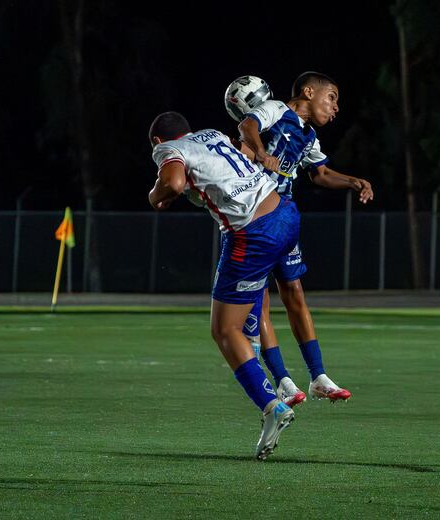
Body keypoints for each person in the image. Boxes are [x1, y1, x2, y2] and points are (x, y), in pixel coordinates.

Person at [147, 111, 300, 460]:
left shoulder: (167, 148)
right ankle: (262, 354)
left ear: (159, 141)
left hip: (253, 231)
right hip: (285, 213)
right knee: (252, 302)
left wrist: (155, 196)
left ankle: (271, 406)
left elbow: (171, 183)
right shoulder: (211, 133)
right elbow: (240, 157)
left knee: (223, 329)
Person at [237, 71, 374, 406]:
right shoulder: (275, 110)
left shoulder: (308, 136)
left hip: (282, 219)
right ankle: (283, 379)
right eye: (332, 97)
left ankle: (318, 377)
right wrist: (259, 151)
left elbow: (322, 174)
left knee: (294, 292)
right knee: (262, 301)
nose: (336, 106)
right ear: (308, 92)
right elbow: (247, 127)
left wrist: (354, 181)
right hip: (253, 217)